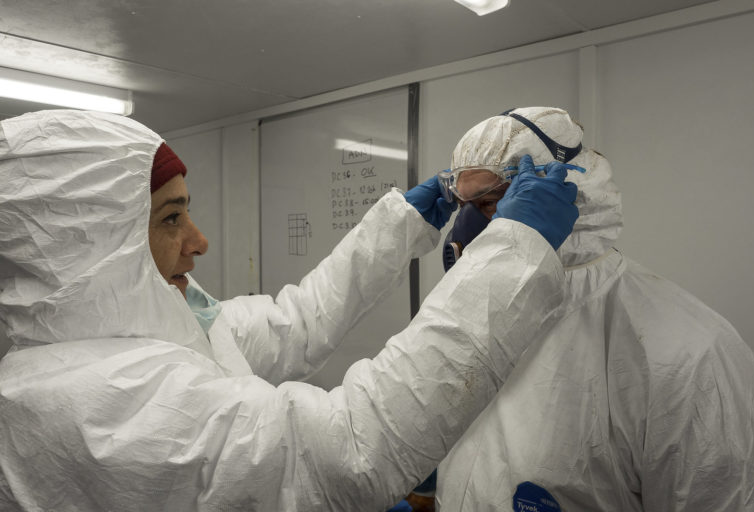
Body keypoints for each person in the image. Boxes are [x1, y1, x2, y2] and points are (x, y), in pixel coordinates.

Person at [0, 109, 579, 511]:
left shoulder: (159, 327)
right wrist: (514, 254)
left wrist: (401, 227)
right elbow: (348, 450)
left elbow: (298, 322)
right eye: (170, 218)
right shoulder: (97, 403)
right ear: (95, 247)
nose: (199, 241)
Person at [432, 106, 754, 511]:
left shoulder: (690, 354)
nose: (466, 230)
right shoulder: (469, 319)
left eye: (492, 201)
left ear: (572, 194)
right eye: (464, 203)